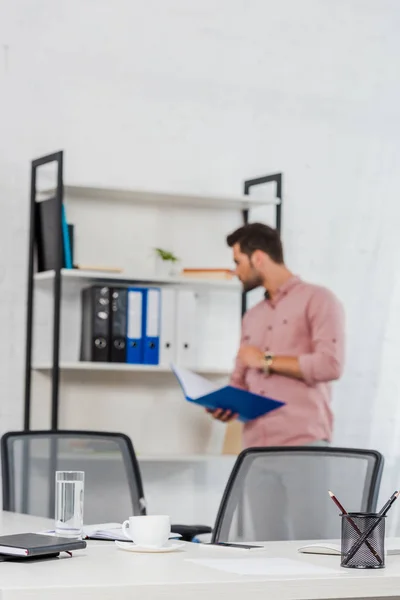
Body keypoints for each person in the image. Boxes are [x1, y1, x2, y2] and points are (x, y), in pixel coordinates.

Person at [208, 222, 345, 449]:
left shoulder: (318, 299)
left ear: (258, 258)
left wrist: (265, 360)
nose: (235, 271)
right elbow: (240, 380)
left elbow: (330, 365)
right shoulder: (252, 316)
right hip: (255, 448)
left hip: (304, 443)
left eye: (237, 262)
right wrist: (224, 404)